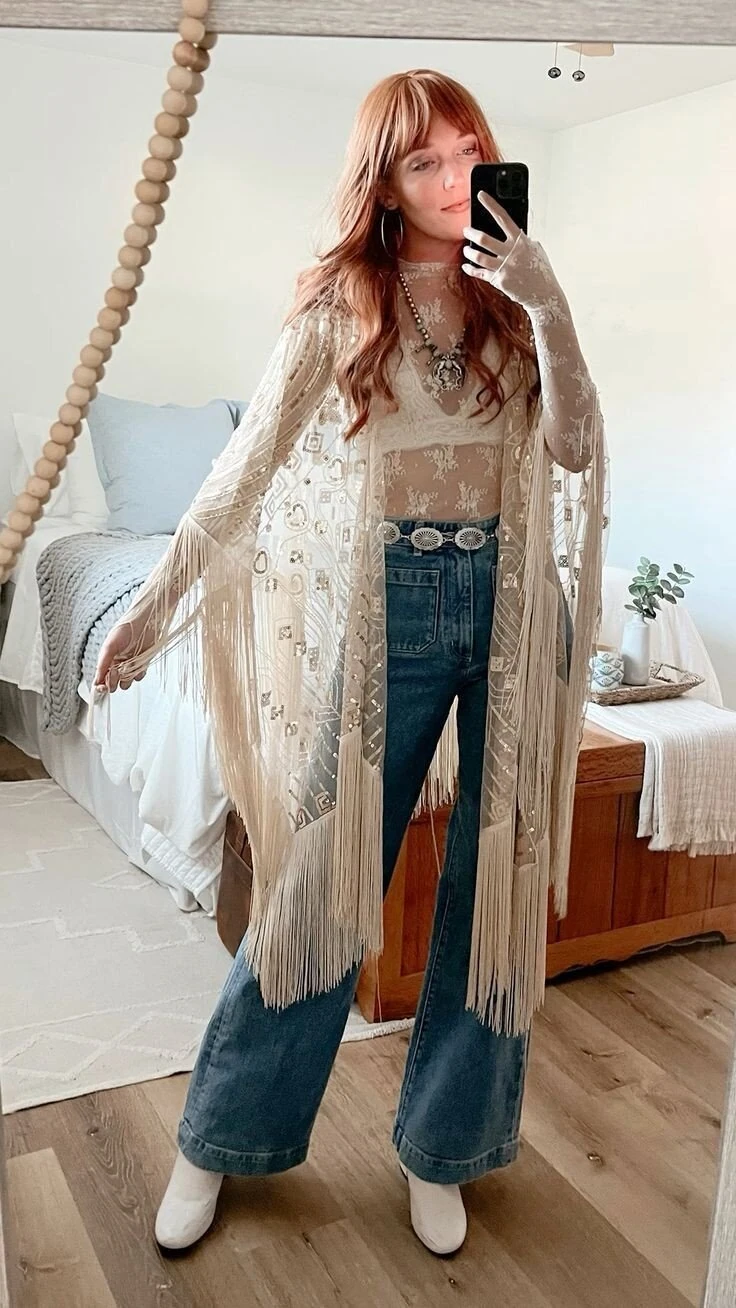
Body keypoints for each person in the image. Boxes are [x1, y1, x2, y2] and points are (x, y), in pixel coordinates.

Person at [95, 69, 606, 1257]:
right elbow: (244, 473)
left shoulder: (518, 299)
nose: (455, 179)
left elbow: (575, 449)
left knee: (493, 895)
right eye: (425, 161)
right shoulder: (338, 306)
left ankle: (445, 1149)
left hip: (519, 607)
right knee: (319, 890)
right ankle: (220, 1136)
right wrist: (158, 607)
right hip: (396, 605)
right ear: (383, 182)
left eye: (469, 152)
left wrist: (549, 308)